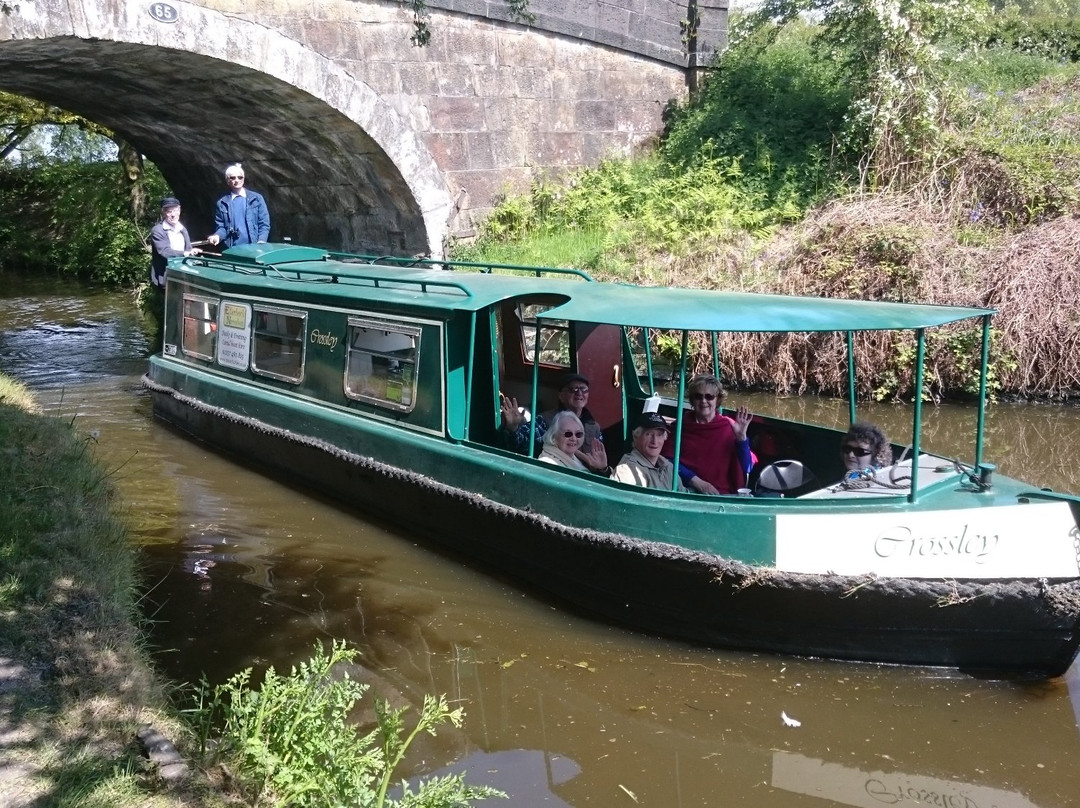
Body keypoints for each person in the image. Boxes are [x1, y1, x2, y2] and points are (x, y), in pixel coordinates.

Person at [660, 374, 754, 495]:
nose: (704, 401)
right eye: (698, 396)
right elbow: (666, 460)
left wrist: (742, 438)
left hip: (721, 494)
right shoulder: (680, 427)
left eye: (709, 397)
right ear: (692, 400)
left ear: (718, 400)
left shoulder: (728, 427)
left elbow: (747, 468)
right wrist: (696, 481)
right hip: (685, 490)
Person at [500, 372, 609, 472]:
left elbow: (599, 464)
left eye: (584, 389)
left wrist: (603, 469)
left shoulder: (594, 427)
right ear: (561, 396)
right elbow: (520, 444)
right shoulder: (545, 420)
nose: (579, 393)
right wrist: (513, 428)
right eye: (573, 389)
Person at [145, 196, 200, 349]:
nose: (173, 214)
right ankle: (168, 345)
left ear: (180, 211)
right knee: (172, 312)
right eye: (169, 211)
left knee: (185, 310)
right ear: (163, 213)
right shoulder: (157, 231)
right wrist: (185, 254)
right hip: (166, 278)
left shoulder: (182, 229)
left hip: (184, 276)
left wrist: (191, 253)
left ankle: (186, 342)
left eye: (175, 210)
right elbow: (164, 252)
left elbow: (188, 248)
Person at [612, 411, 686, 492]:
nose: (654, 441)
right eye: (649, 434)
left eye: (659, 435)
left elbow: (684, 498)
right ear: (636, 436)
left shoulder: (669, 467)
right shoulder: (627, 470)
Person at [206, 163, 270, 248]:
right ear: (227, 180)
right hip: (233, 249)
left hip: (254, 247)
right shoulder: (222, 203)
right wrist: (217, 236)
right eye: (232, 178)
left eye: (240, 177)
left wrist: (261, 241)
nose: (237, 180)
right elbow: (222, 228)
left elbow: (264, 223)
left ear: (243, 179)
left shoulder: (257, 199)